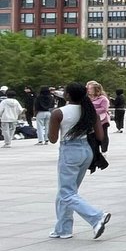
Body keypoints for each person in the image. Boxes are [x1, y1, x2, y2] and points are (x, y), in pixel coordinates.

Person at [48, 82, 111, 239]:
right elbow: (100, 137)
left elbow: (53, 139)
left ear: (68, 95)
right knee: (68, 191)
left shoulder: (58, 113)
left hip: (69, 150)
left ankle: (96, 216)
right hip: (86, 150)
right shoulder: (90, 112)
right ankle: (63, 229)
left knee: (66, 193)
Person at [87, 81, 110, 153]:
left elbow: (104, 109)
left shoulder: (103, 99)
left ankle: (104, 150)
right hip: (91, 119)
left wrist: (92, 111)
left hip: (102, 119)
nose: (88, 90)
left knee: (103, 134)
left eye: (90, 88)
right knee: (92, 135)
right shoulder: (87, 98)